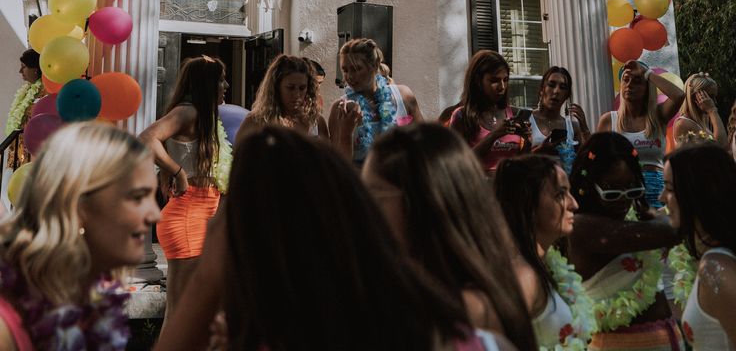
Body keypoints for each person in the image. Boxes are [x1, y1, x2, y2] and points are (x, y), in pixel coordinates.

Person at [157, 127, 513, 351]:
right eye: (361, 194)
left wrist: (207, 280)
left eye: (372, 193)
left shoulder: (470, 314)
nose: (364, 208)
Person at [363, 122, 537, 351]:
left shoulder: (456, 314)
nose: (363, 209)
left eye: (373, 196)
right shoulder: (493, 287)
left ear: (422, 202)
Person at [0, 121, 159, 351]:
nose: (155, 215)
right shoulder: (7, 326)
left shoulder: (90, 301)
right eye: (137, 197)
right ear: (78, 206)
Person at [568, 131, 682, 350]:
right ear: (589, 184)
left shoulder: (634, 216)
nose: (624, 199)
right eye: (612, 190)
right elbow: (671, 231)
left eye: (632, 187)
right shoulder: (581, 226)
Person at [139, 55, 229, 325]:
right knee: (181, 310)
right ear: (207, 83)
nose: (225, 85)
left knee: (197, 310)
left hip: (205, 213)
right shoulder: (187, 111)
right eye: (220, 80)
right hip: (188, 215)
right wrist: (177, 172)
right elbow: (146, 138)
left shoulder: (206, 116)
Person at [496, 153, 594, 351]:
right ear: (527, 203)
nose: (574, 204)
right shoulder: (524, 277)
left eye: (570, 192)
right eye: (560, 195)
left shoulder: (548, 262)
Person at [663, 143, 736, 349]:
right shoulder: (713, 261)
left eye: (669, 189)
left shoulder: (716, 269)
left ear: (695, 194)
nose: (662, 198)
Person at [597, 59, 685, 206]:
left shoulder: (659, 116)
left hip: (657, 191)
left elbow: (679, 95)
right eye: (626, 80)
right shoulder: (608, 120)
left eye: (637, 81)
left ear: (647, 87)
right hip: (623, 193)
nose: (629, 85)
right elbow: (598, 161)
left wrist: (647, 73)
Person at [329, 38, 422, 165]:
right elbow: (339, 167)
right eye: (345, 70)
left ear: (374, 65)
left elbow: (424, 143)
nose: (350, 76)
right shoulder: (339, 108)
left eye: (356, 69)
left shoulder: (403, 96)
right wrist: (346, 131)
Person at [449, 51, 531, 172]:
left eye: (506, 80)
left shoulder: (513, 113)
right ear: (478, 80)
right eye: (494, 80)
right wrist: (494, 135)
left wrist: (527, 140)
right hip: (477, 187)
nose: (502, 86)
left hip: (509, 188)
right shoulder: (462, 116)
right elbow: (455, 164)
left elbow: (523, 163)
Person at [237, 55, 328, 139]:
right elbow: (239, 155)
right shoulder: (256, 121)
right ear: (276, 87)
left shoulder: (316, 122)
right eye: (290, 88)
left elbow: (328, 155)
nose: (297, 94)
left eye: (302, 88)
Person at [530, 66, 590, 172]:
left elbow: (585, 164)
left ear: (567, 95)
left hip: (563, 186)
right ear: (541, 89)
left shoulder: (573, 127)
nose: (556, 91)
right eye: (551, 85)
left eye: (563, 87)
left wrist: (584, 129)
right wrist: (538, 151)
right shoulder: (528, 120)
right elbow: (515, 160)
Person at [3, 51, 44, 171]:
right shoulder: (27, 90)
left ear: (35, 68)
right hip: (16, 149)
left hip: (31, 154)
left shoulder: (43, 91)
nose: (20, 71)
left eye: (24, 67)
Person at [671, 74, 728, 149]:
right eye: (710, 96)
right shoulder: (683, 124)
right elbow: (720, 146)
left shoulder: (702, 121)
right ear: (695, 96)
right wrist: (712, 110)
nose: (714, 102)